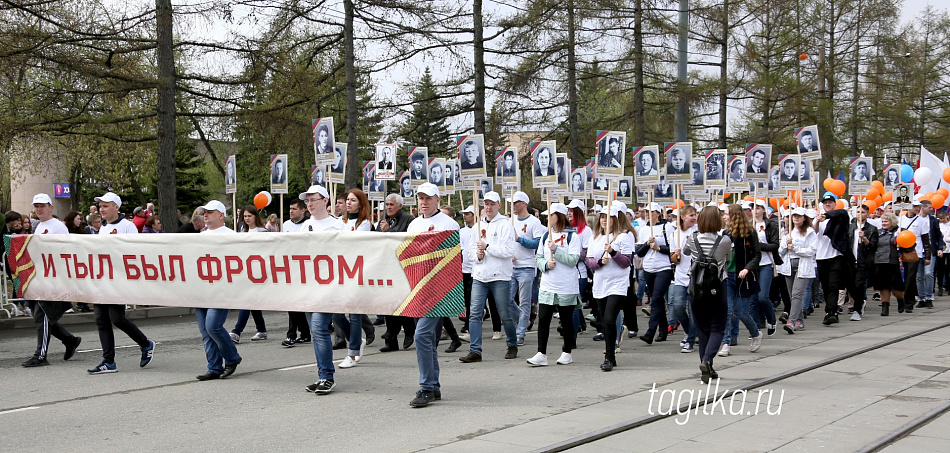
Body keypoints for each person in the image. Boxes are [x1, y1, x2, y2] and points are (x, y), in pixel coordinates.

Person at [406, 182, 460, 408]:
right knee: (426, 339)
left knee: (421, 336)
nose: (423, 202)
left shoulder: (449, 224)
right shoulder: (414, 224)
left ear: (437, 200)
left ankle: (426, 386)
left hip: (439, 289)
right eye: (420, 198)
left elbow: (454, 259)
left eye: (428, 198)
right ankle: (434, 387)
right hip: (418, 288)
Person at [89, 192, 155, 374]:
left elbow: (135, 252)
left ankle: (146, 344)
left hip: (118, 280)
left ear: (116, 207)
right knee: (101, 319)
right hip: (102, 279)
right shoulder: (102, 228)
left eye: (105, 206)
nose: (101, 209)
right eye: (100, 206)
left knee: (117, 318)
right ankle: (108, 361)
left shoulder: (128, 226)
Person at [20, 194, 83, 368]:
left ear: (50, 207)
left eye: (42, 206)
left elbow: (64, 252)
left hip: (52, 279)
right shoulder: (39, 226)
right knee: (40, 316)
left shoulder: (58, 227)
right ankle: (70, 340)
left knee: (42, 314)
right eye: (36, 206)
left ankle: (40, 355)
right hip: (39, 277)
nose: (39, 209)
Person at [296, 185, 348, 393]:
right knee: (316, 331)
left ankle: (327, 376)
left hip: (329, 285)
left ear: (325, 200)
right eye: (307, 200)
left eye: (313, 199)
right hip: (309, 286)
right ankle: (322, 375)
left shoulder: (338, 226)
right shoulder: (304, 226)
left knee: (319, 327)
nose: (309, 203)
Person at [459, 191, 519, 363]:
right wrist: (477, 255)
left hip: (500, 276)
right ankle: (475, 350)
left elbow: (508, 251)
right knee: (475, 314)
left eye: (492, 204)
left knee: (504, 313)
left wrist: (487, 247)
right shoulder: (478, 225)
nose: (489, 207)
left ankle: (512, 344)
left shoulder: (505, 224)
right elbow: (469, 251)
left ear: (499, 205)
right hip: (479, 275)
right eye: (486, 204)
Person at [526, 202, 580, 367]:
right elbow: (538, 257)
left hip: (566, 284)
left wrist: (556, 250)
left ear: (559, 216)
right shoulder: (545, 236)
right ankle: (541, 352)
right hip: (548, 284)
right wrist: (544, 265)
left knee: (566, 319)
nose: (548, 218)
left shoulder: (573, 236)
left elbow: (573, 260)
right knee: (543, 319)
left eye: (551, 215)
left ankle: (567, 351)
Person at [682, 206, 732, 383]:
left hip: (695, 287)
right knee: (718, 327)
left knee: (702, 328)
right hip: (717, 287)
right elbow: (729, 258)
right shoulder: (724, 240)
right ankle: (707, 361)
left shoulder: (693, 238)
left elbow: (685, 252)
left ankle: (706, 365)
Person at [194, 200, 242, 380]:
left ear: (221, 215)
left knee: (213, 326)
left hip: (222, 289)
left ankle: (232, 357)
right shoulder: (200, 236)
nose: (205, 214)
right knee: (205, 331)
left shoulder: (231, 236)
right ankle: (214, 367)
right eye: (204, 211)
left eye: (210, 212)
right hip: (202, 289)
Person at [586, 203, 634, 370]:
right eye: (603, 217)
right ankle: (610, 355)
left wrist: (613, 252)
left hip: (618, 284)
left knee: (609, 318)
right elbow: (589, 261)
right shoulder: (595, 238)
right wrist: (600, 262)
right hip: (600, 284)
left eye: (608, 217)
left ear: (615, 218)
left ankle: (609, 355)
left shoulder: (624, 237)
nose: (605, 220)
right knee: (604, 322)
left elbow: (626, 262)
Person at [717, 203, 762, 357]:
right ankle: (726, 343)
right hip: (728, 276)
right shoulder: (726, 233)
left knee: (742, 312)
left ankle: (755, 334)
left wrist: (747, 268)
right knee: (728, 311)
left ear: (734, 215)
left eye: (726, 213)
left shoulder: (750, 232)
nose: (724, 216)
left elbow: (757, 254)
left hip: (744, 278)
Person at [378, 194, 418, 352]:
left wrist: (390, 231)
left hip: (403, 268)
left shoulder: (409, 220)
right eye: (386, 204)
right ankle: (391, 341)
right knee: (389, 306)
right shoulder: (383, 221)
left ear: (400, 206)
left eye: (391, 204)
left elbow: (406, 241)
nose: (388, 207)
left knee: (403, 303)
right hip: (387, 268)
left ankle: (409, 331)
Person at [509, 191, 546, 346]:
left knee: (524, 301)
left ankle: (520, 333)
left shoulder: (533, 222)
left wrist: (520, 240)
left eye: (514, 203)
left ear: (523, 203)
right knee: (506, 300)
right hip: (510, 266)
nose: (512, 206)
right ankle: (524, 318)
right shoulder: (510, 221)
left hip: (527, 266)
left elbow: (538, 243)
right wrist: (509, 253)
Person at [814, 193, 857, 324]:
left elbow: (842, 213)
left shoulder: (840, 216)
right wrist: (817, 220)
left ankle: (831, 312)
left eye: (830, 202)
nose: (827, 204)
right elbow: (814, 231)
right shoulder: (818, 219)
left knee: (834, 285)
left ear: (834, 204)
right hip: (821, 257)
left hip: (836, 256)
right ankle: (831, 311)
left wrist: (826, 216)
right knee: (826, 286)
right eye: (825, 202)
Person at [230, 206, 269, 342]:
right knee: (252, 301)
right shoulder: (242, 231)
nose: (247, 219)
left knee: (247, 300)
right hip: (245, 269)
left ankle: (237, 331)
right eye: (245, 216)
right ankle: (261, 329)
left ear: (255, 217)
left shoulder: (263, 232)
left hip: (258, 270)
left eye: (249, 216)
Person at [636, 203, 673, 345]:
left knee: (656, 299)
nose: (647, 214)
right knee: (658, 300)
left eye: (650, 212)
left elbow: (672, 248)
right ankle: (663, 330)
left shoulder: (667, 227)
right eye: (646, 212)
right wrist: (647, 244)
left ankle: (650, 332)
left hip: (663, 267)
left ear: (658, 213)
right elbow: (639, 252)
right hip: (648, 268)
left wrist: (658, 247)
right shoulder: (644, 229)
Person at [279, 199, 312, 348]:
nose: (291, 211)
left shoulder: (309, 224)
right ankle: (302, 333)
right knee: (292, 302)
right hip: (289, 266)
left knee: (297, 303)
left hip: (305, 265)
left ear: (303, 210)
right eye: (290, 209)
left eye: (294, 209)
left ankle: (294, 334)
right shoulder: (286, 225)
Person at [779, 207, 817, 332]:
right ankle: (800, 321)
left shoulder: (810, 232)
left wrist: (796, 249)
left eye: (799, 216)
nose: (796, 217)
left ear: (804, 218)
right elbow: (780, 252)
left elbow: (811, 251)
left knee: (797, 294)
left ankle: (792, 320)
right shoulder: (787, 232)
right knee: (793, 296)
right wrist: (786, 244)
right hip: (789, 265)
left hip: (803, 265)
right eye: (794, 215)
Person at [669, 205, 698, 353]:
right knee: (678, 306)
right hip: (680, 276)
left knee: (693, 310)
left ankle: (690, 341)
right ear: (683, 217)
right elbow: (673, 258)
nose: (693, 218)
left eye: (695, 215)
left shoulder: (698, 231)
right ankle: (689, 331)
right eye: (690, 215)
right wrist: (676, 255)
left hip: (695, 275)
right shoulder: (676, 234)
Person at [752, 199, 780, 335]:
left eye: (758, 207)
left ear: (763, 209)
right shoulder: (748, 225)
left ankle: (771, 319)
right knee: (752, 298)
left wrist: (758, 245)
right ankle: (756, 328)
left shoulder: (770, 225)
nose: (755, 210)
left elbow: (774, 245)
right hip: (751, 265)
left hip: (765, 263)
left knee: (762, 296)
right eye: (754, 207)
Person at [848, 203, 879, 320]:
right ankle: (860, 301)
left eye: (863, 212)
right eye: (858, 212)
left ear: (867, 214)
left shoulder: (872, 229)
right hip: (851, 261)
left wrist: (865, 239)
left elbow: (873, 246)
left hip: (863, 261)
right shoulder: (851, 227)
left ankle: (857, 309)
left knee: (859, 284)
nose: (860, 214)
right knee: (851, 286)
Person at [873, 212, 901, 316]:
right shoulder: (878, 232)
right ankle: (885, 307)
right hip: (880, 262)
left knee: (896, 287)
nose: (884, 223)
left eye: (886, 221)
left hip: (894, 262)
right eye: (883, 221)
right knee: (883, 286)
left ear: (892, 222)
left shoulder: (899, 231)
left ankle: (900, 299)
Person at [915, 200, 941, 309]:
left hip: (929, 250)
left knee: (928, 273)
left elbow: (938, 235)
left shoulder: (933, 220)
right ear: (923, 208)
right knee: (919, 276)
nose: (932, 209)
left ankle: (929, 296)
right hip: (918, 251)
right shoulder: (916, 220)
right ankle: (921, 298)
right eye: (930, 207)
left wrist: (940, 247)